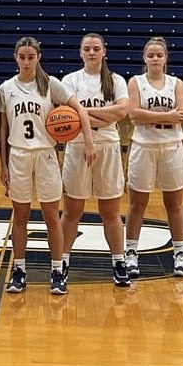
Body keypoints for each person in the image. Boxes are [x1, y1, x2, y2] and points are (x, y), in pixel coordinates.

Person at [0, 36, 95, 294]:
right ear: (15, 58)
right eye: (22, 57)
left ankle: (57, 270)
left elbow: (81, 111)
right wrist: (4, 165)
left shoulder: (51, 85)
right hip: (18, 155)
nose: (27, 62)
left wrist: (88, 141)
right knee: (20, 217)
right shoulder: (6, 88)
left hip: (46, 155)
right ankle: (19, 271)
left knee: (52, 216)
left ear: (38, 57)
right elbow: (2, 128)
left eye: (31, 57)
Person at [60, 33, 131, 287]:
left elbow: (122, 111)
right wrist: (103, 116)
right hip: (78, 146)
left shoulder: (116, 80)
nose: (91, 53)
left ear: (104, 52)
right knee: (71, 212)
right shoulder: (70, 80)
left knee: (110, 212)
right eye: (87, 49)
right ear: (80, 53)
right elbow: (66, 116)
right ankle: (62, 263)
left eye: (96, 49)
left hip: (109, 146)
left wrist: (83, 112)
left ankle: (119, 262)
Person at [123, 37, 183, 278]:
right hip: (144, 146)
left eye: (159, 55)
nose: (155, 59)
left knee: (174, 204)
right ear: (144, 58)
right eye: (150, 55)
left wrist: (149, 115)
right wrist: (166, 116)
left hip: (172, 146)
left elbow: (182, 115)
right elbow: (133, 115)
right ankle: (130, 252)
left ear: (165, 58)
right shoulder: (136, 82)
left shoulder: (176, 83)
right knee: (137, 203)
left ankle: (180, 253)